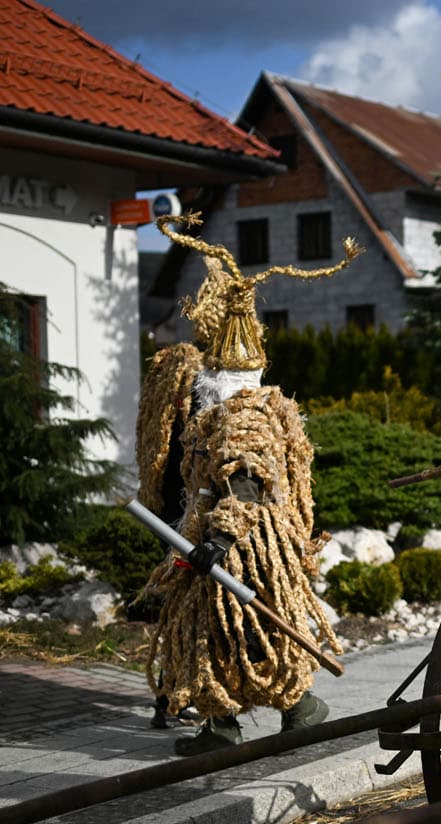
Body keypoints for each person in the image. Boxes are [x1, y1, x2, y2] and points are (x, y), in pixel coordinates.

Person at [138, 214, 359, 755]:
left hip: (239, 541)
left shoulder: (237, 415)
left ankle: (257, 719)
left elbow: (247, 481)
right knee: (248, 622)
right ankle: (270, 715)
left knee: (234, 624)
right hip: (240, 537)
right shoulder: (251, 408)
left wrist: (220, 539)